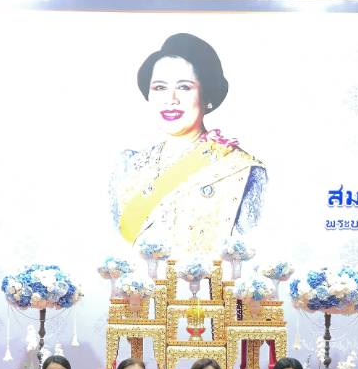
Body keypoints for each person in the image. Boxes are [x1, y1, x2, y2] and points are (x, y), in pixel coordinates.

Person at [109, 32, 267, 254]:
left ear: (207, 95)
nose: (170, 99)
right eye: (160, 88)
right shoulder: (128, 165)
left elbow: (249, 249)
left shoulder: (242, 170)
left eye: (184, 87)